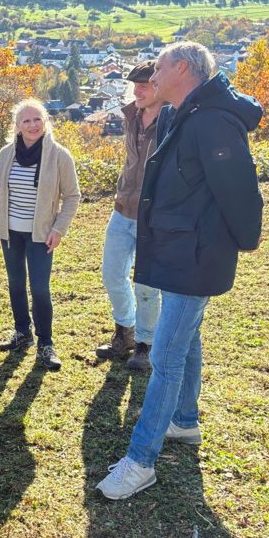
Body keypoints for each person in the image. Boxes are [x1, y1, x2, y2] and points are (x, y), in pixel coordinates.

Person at [97, 41, 263, 500]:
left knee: (166, 357)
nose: (154, 72)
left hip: (196, 253)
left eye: (162, 65)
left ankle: (141, 460)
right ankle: (185, 422)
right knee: (185, 339)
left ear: (184, 69)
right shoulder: (185, 113)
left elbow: (238, 188)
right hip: (178, 246)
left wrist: (246, 239)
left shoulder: (212, 122)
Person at [0, 99, 81, 370]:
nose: (32, 125)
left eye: (37, 119)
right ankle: (21, 332)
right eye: (26, 121)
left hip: (41, 235)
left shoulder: (60, 155)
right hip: (10, 232)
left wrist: (58, 229)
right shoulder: (7, 153)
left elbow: (73, 197)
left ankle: (46, 343)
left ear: (45, 122)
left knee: (39, 288)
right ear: (17, 126)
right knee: (16, 283)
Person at [96, 61, 164, 371]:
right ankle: (125, 331)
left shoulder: (171, 120)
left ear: (160, 87)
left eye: (144, 84)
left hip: (154, 214)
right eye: (134, 84)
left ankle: (145, 346)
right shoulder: (131, 116)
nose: (137, 89)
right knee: (112, 273)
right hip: (123, 209)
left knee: (147, 284)